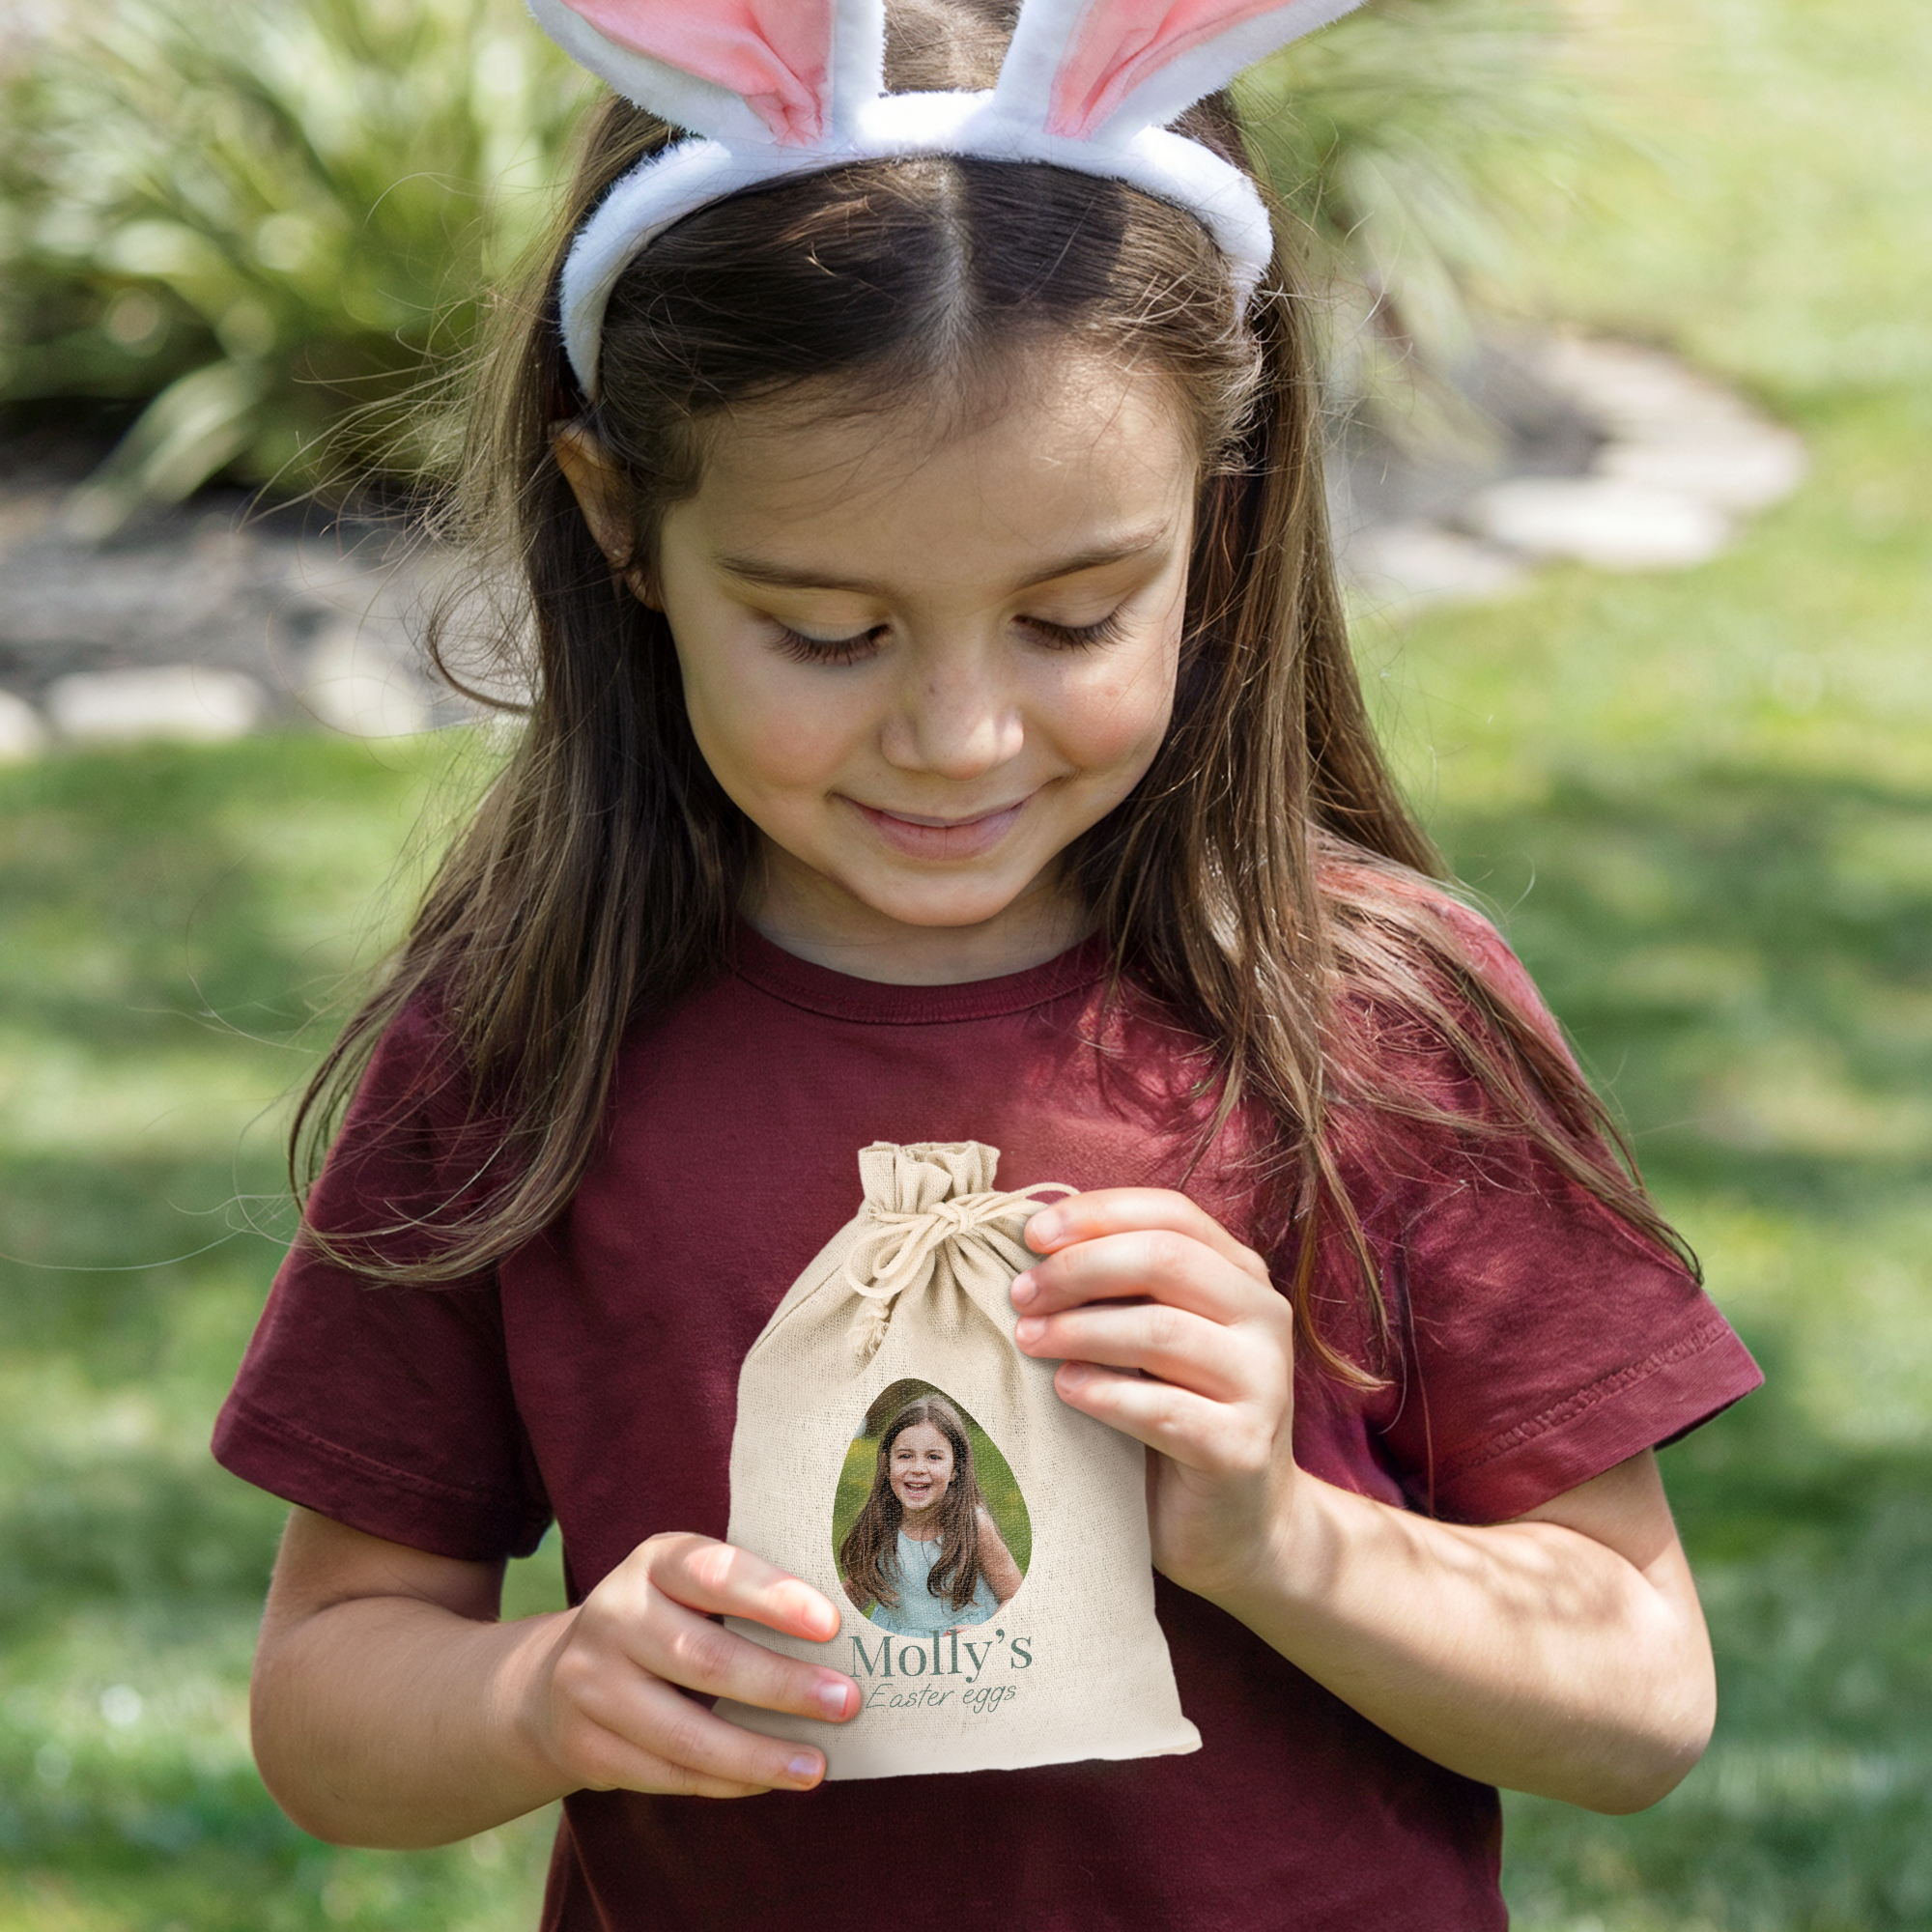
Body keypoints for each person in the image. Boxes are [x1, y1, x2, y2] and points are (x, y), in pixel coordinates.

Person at [213, 0, 1762, 1925]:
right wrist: (542, 1686)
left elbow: (1635, 1693)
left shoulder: (1372, 1023)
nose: (956, 733)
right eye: (828, 632)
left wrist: (1285, 1533)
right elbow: (328, 1691)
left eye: (1069, 614)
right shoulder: (528, 1040)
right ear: (623, 527)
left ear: (1222, 513)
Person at [838, 1395, 1022, 1634]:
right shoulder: (880, 1524)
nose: (918, 1468)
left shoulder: (974, 1526)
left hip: (964, 1652)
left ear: (956, 1468)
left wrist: (985, 1633)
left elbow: (1015, 1597)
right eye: (905, 1456)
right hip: (898, 1651)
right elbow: (854, 1593)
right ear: (886, 1464)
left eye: (933, 1457)